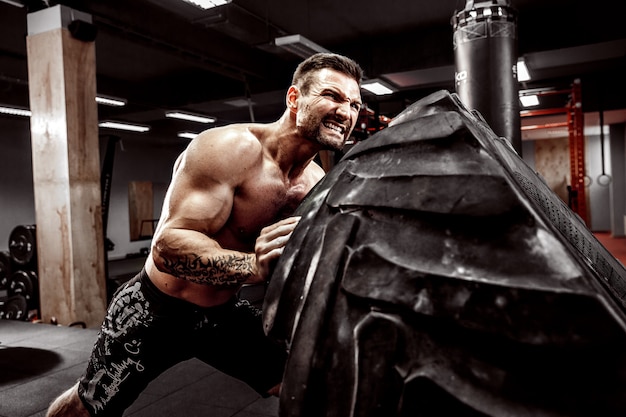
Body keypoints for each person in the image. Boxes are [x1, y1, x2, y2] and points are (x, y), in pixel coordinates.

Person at [46, 52, 363, 417]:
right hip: (155, 309)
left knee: (310, 386)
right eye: (333, 96)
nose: (346, 112)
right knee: (85, 408)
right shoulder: (230, 149)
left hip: (222, 315)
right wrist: (253, 266)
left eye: (354, 104)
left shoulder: (314, 184)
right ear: (295, 98)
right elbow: (169, 247)